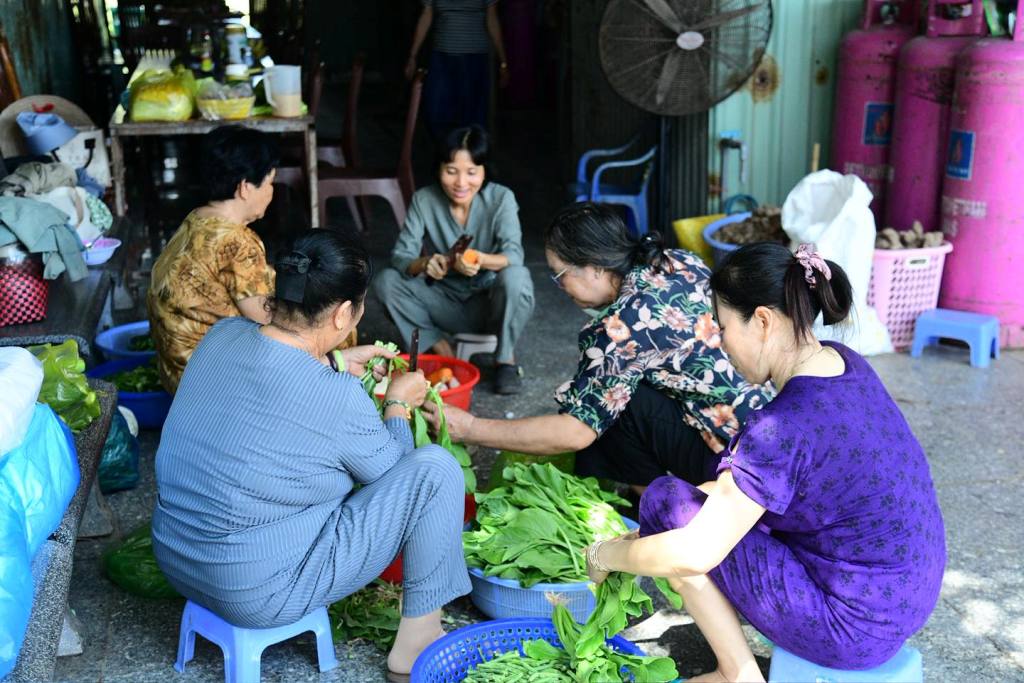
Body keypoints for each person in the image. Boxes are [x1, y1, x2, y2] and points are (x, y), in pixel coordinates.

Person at [582, 243, 946, 682]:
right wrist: (644, 540)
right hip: (908, 600)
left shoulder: (783, 428)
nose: (719, 342)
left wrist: (607, 553)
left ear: (762, 321)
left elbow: (695, 551)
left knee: (665, 503)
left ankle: (737, 675)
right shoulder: (846, 364)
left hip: (852, 630)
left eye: (722, 326)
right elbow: (745, 495)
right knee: (684, 513)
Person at [151, 230, 470, 682]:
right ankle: (417, 644)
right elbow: (397, 477)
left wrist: (336, 360)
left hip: (177, 561)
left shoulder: (223, 334)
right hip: (256, 592)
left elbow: (271, 380)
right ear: (343, 314)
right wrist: (397, 404)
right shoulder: (336, 397)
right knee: (436, 470)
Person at [435, 203, 769, 490]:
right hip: (766, 431)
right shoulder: (675, 260)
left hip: (732, 462)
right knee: (610, 389)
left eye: (560, 274)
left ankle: (656, 511)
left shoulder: (619, 326)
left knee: (610, 409)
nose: (559, 286)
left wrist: (470, 428)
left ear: (596, 266)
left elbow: (574, 432)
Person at [374, 125, 534, 394]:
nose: (461, 183)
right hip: (443, 303)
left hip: (491, 304)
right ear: (439, 169)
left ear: (484, 171)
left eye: (471, 172)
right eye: (451, 171)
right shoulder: (424, 200)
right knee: (386, 281)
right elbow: (401, 257)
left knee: (517, 276)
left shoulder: (501, 198)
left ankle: (505, 359)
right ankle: (439, 347)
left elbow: (514, 255)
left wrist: (479, 259)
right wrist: (424, 264)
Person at [147, 125, 277, 394]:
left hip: (177, 374)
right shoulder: (237, 241)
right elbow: (267, 319)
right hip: (214, 382)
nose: (271, 191)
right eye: (269, 182)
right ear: (245, 188)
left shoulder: (197, 219)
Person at [405, 0, 510, 139]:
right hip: (442, 57)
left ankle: (469, 156)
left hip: (473, 59)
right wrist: (413, 55)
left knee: (471, 116)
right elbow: (426, 16)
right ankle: (447, 154)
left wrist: (503, 62)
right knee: (435, 112)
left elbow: (492, 19)